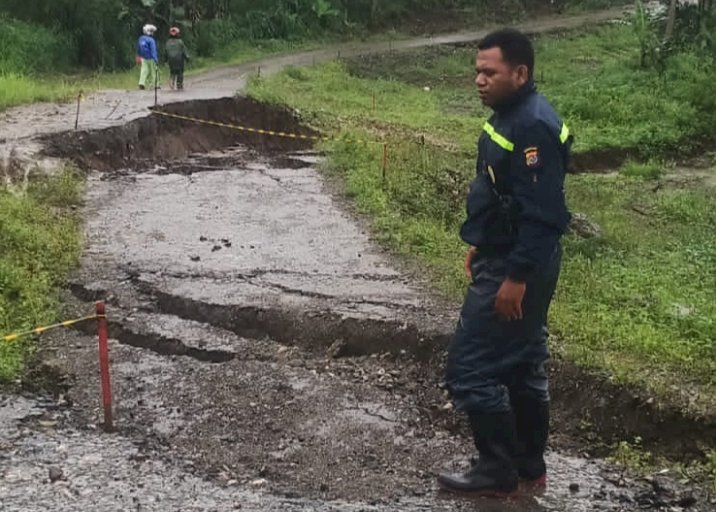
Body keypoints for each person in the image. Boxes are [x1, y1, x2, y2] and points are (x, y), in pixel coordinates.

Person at [438, 28, 572, 497]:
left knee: (470, 367)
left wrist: (514, 276)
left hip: (519, 265)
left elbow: (544, 214)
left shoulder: (532, 124)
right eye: (477, 71)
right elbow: (506, 193)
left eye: (489, 72)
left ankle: (497, 471)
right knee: (522, 361)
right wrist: (483, 241)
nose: (479, 80)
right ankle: (527, 466)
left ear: (520, 73)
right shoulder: (512, 114)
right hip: (507, 253)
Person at [166, 26, 190, 91]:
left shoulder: (168, 42)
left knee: (172, 71)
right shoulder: (180, 42)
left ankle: (172, 81)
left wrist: (165, 60)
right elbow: (184, 51)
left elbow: (165, 52)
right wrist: (187, 58)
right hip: (179, 60)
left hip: (171, 60)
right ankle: (179, 84)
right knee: (180, 72)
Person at [137, 24, 159, 91]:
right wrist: (155, 59)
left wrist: (138, 55)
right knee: (154, 71)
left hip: (143, 57)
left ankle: (141, 83)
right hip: (151, 58)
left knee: (144, 70)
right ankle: (155, 84)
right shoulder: (151, 40)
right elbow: (153, 50)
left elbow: (138, 48)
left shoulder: (141, 38)